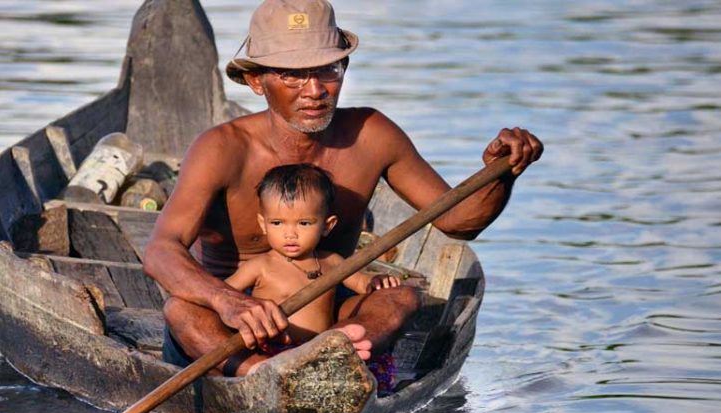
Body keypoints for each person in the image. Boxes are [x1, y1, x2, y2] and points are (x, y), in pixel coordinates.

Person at [146, 0, 543, 377]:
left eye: (328, 70)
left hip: (326, 319)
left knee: (401, 298)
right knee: (181, 310)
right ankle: (263, 375)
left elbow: (460, 222)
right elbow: (161, 250)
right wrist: (228, 302)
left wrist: (501, 173)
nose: (315, 90)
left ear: (345, 67)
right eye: (292, 74)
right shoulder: (221, 148)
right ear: (255, 80)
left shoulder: (372, 135)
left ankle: (334, 362)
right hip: (232, 331)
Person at [225, 164, 402, 359]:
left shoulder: (331, 262)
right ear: (263, 224)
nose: (290, 234)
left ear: (327, 226)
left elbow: (361, 283)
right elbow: (227, 296)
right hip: (274, 352)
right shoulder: (259, 266)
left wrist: (376, 281)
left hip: (320, 351)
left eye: (304, 223)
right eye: (277, 223)